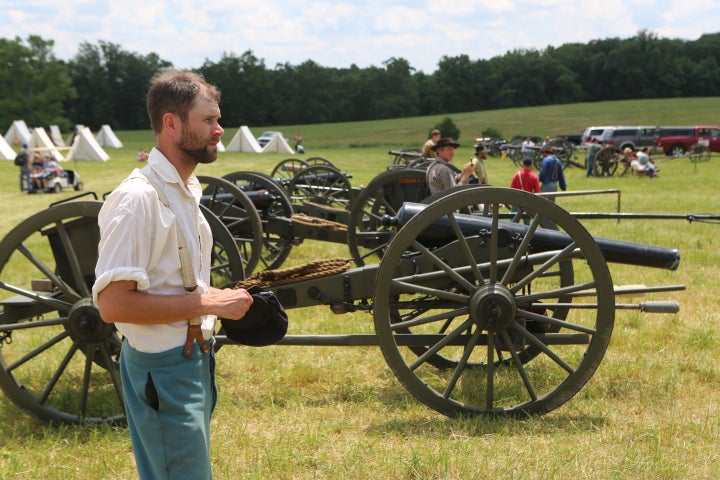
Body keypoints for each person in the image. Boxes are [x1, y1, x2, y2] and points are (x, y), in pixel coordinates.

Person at [92, 69, 254, 480]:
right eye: (208, 120)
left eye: (218, 119)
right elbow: (113, 304)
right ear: (171, 123)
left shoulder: (184, 188)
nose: (219, 129)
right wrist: (210, 302)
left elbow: (174, 280)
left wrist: (224, 298)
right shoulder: (137, 198)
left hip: (192, 362)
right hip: (161, 368)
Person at [509, 157, 540, 224]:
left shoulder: (517, 175)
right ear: (531, 164)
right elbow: (537, 192)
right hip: (527, 201)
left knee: (513, 222)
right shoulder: (534, 177)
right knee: (527, 222)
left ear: (523, 164)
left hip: (516, 200)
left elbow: (511, 188)